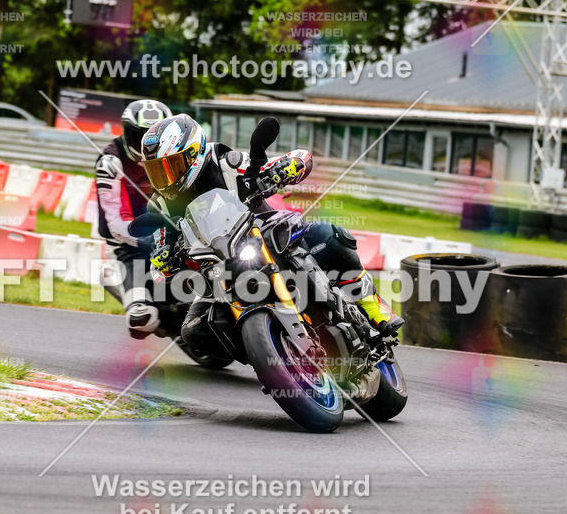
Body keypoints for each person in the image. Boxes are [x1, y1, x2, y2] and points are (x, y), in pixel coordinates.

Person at [139, 113, 404, 349]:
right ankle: (267, 349)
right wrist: (162, 259)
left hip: (266, 233)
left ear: (193, 154)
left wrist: (286, 167)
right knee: (194, 330)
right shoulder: (161, 204)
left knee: (327, 236)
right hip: (218, 269)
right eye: (157, 171)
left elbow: (292, 160)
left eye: (170, 166)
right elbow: (159, 252)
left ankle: (371, 304)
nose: (165, 178)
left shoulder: (225, 163)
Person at [93, 99, 172, 338]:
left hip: (178, 230)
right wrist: (145, 240)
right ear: (128, 134)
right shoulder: (110, 164)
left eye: (156, 136)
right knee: (142, 321)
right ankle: (140, 300)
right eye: (142, 136)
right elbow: (115, 221)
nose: (148, 144)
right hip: (130, 245)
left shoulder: (180, 150)